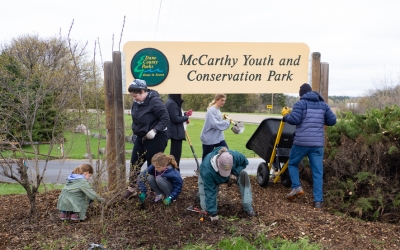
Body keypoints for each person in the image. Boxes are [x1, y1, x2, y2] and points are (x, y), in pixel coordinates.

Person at [281, 83, 337, 209]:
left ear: (301, 94)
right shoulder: (323, 105)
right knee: (317, 172)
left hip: (301, 143)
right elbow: (332, 121)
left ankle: (296, 187)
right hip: (317, 145)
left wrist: (285, 116)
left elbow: (294, 119)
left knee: (292, 164)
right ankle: (318, 201)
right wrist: (322, 119)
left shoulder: (301, 103)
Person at [123, 79, 170, 199]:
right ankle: (132, 188)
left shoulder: (155, 102)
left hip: (157, 137)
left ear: (143, 91)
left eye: (136, 96)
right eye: (133, 96)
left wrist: (155, 130)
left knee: (153, 164)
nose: (134, 98)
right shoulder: (137, 102)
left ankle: (154, 191)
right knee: (135, 162)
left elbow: (165, 119)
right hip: (141, 137)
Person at [198, 146, 256, 223]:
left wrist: (234, 173)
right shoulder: (207, 170)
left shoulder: (235, 156)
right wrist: (213, 214)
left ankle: (247, 206)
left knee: (243, 174)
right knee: (206, 208)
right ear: (218, 163)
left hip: (230, 175)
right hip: (211, 179)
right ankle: (199, 195)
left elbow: (245, 162)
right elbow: (210, 191)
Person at [200, 94, 231, 160]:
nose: (223, 102)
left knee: (227, 153)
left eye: (224, 101)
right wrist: (227, 122)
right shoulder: (211, 110)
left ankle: (223, 169)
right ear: (217, 100)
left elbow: (218, 121)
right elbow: (215, 124)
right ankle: (203, 170)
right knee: (206, 159)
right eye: (222, 100)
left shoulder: (217, 109)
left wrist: (224, 120)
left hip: (218, 138)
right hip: (209, 138)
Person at [165, 94, 192, 168]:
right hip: (175, 133)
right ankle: (174, 171)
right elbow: (175, 118)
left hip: (176, 131)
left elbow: (176, 114)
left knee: (175, 155)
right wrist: (186, 117)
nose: (182, 94)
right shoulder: (172, 103)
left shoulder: (173, 102)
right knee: (175, 155)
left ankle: (175, 170)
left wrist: (185, 114)